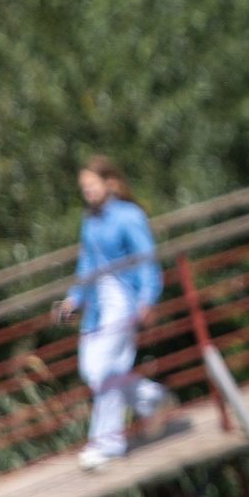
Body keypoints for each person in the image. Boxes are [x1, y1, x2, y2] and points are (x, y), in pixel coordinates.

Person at [51, 155, 172, 470]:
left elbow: (147, 257)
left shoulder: (128, 216)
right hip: (97, 307)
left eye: (91, 185)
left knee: (104, 373)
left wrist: (149, 298)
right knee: (92, 371)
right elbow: (86, 264)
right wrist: (73, 299)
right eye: (83, 187)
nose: (87, 192)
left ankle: (107, 442)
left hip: (125, 302)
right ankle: (151, 398)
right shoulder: (90, 221)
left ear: (109, 182)